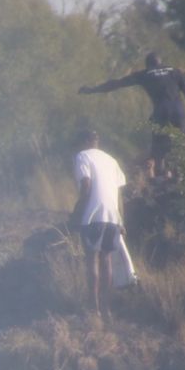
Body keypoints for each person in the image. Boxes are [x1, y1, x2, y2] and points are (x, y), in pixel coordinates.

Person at [79, 53, 185, 179]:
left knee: (158, 153)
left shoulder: (145, 74)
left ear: (148, 65)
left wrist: (92, 90)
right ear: (161, 62)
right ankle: (184, 179)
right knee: (182, 148)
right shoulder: (175, 72)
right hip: (179, 113)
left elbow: (116, 83)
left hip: (161, 114)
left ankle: (161, 180)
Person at [69, 129, 127, 321]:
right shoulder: (112, 160)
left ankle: (93, 309)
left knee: (91, 259)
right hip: (112, 216)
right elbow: (119, 196)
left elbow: (86, 185)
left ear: (84, 141)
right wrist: (121, 221)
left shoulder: (82, 156)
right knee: (106, 260)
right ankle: (106, 309)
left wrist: (76, 213)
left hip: (92, 216)